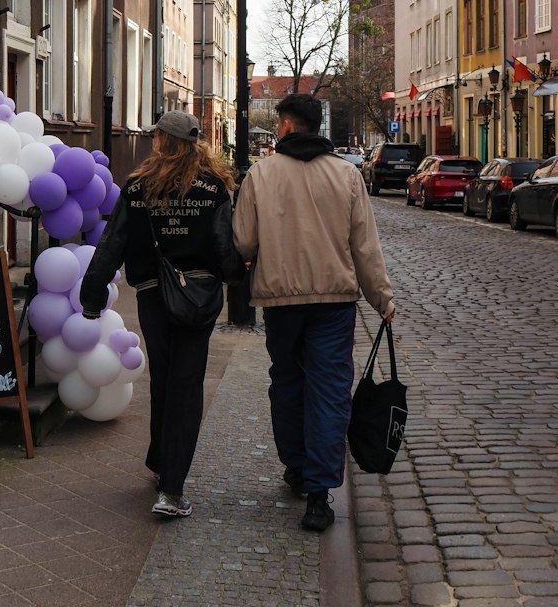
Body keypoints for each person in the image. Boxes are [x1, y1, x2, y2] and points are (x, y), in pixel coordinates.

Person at [233, 94, 396, 533]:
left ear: (285, 126)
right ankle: (321, 498)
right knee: (329, 392)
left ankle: (296, 467)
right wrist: (381, 298)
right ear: (317, 126)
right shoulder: (346, 174)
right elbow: (365, 245)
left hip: (281, 302)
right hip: (334, 303)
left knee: (287, 382)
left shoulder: (261, 175)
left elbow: (244, 242)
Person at [80, 110, 245, 519]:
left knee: (165, 379)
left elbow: (112, 242)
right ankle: (172, 488)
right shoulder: (214, 188)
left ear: (161, 142)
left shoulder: (137, 187)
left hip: (154, 296)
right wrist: (238, 285)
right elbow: (225, 246)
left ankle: (161, 465)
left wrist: (92, 292)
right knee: (187, 386)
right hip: (201, 297)